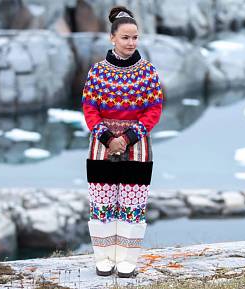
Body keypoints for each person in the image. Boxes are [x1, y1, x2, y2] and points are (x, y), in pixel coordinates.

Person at [82, 5, 163, 278]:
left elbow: (154, 109)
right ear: (112, 38)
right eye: (125, 37)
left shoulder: (147, 72)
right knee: (102, 203)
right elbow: (89, 108)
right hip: (100, 145)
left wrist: (126, 138)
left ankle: (127, 260)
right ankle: (104, 258)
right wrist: (107, 137)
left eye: (135, 37)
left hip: (137, 147)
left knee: (132, 204)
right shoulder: (97, 72)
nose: (131, 43)